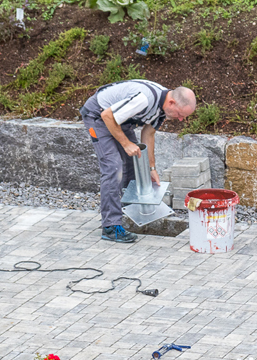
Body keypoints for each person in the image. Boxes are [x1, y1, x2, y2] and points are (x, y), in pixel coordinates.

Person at [79, 80, 196, 243]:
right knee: (113, 167)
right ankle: (111, 227)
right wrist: (126, 144)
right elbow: (107, 115)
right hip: (97, 117)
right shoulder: (145, 99)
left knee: (134, 162)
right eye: (181, 114)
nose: (181, 119)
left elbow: (148, 133)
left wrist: (151, 168)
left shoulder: (162, 109)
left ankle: (127, 211)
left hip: (119, 121)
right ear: (172, 102)